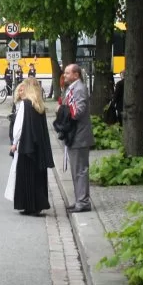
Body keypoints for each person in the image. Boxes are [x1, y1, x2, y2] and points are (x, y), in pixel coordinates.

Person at [8, 78, 54, 216]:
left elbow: (19, 126)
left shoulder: (25, 104)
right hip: (38, 145)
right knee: (38, 176)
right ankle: (37, 204)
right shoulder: (38, 104)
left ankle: (28, 204)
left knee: (26, 175)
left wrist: (15, 142)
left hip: (27, 145)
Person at [62, 64, 95, 213]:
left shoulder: (80, 89)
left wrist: (64, 111)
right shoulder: (72, 88)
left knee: (80, 170)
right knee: (76, 170)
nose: (65, 75)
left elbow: (78, 111)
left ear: (76, 75)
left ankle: (83, 202)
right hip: (74, 136)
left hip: (79, 136)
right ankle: (79, 200)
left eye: (68, 73)